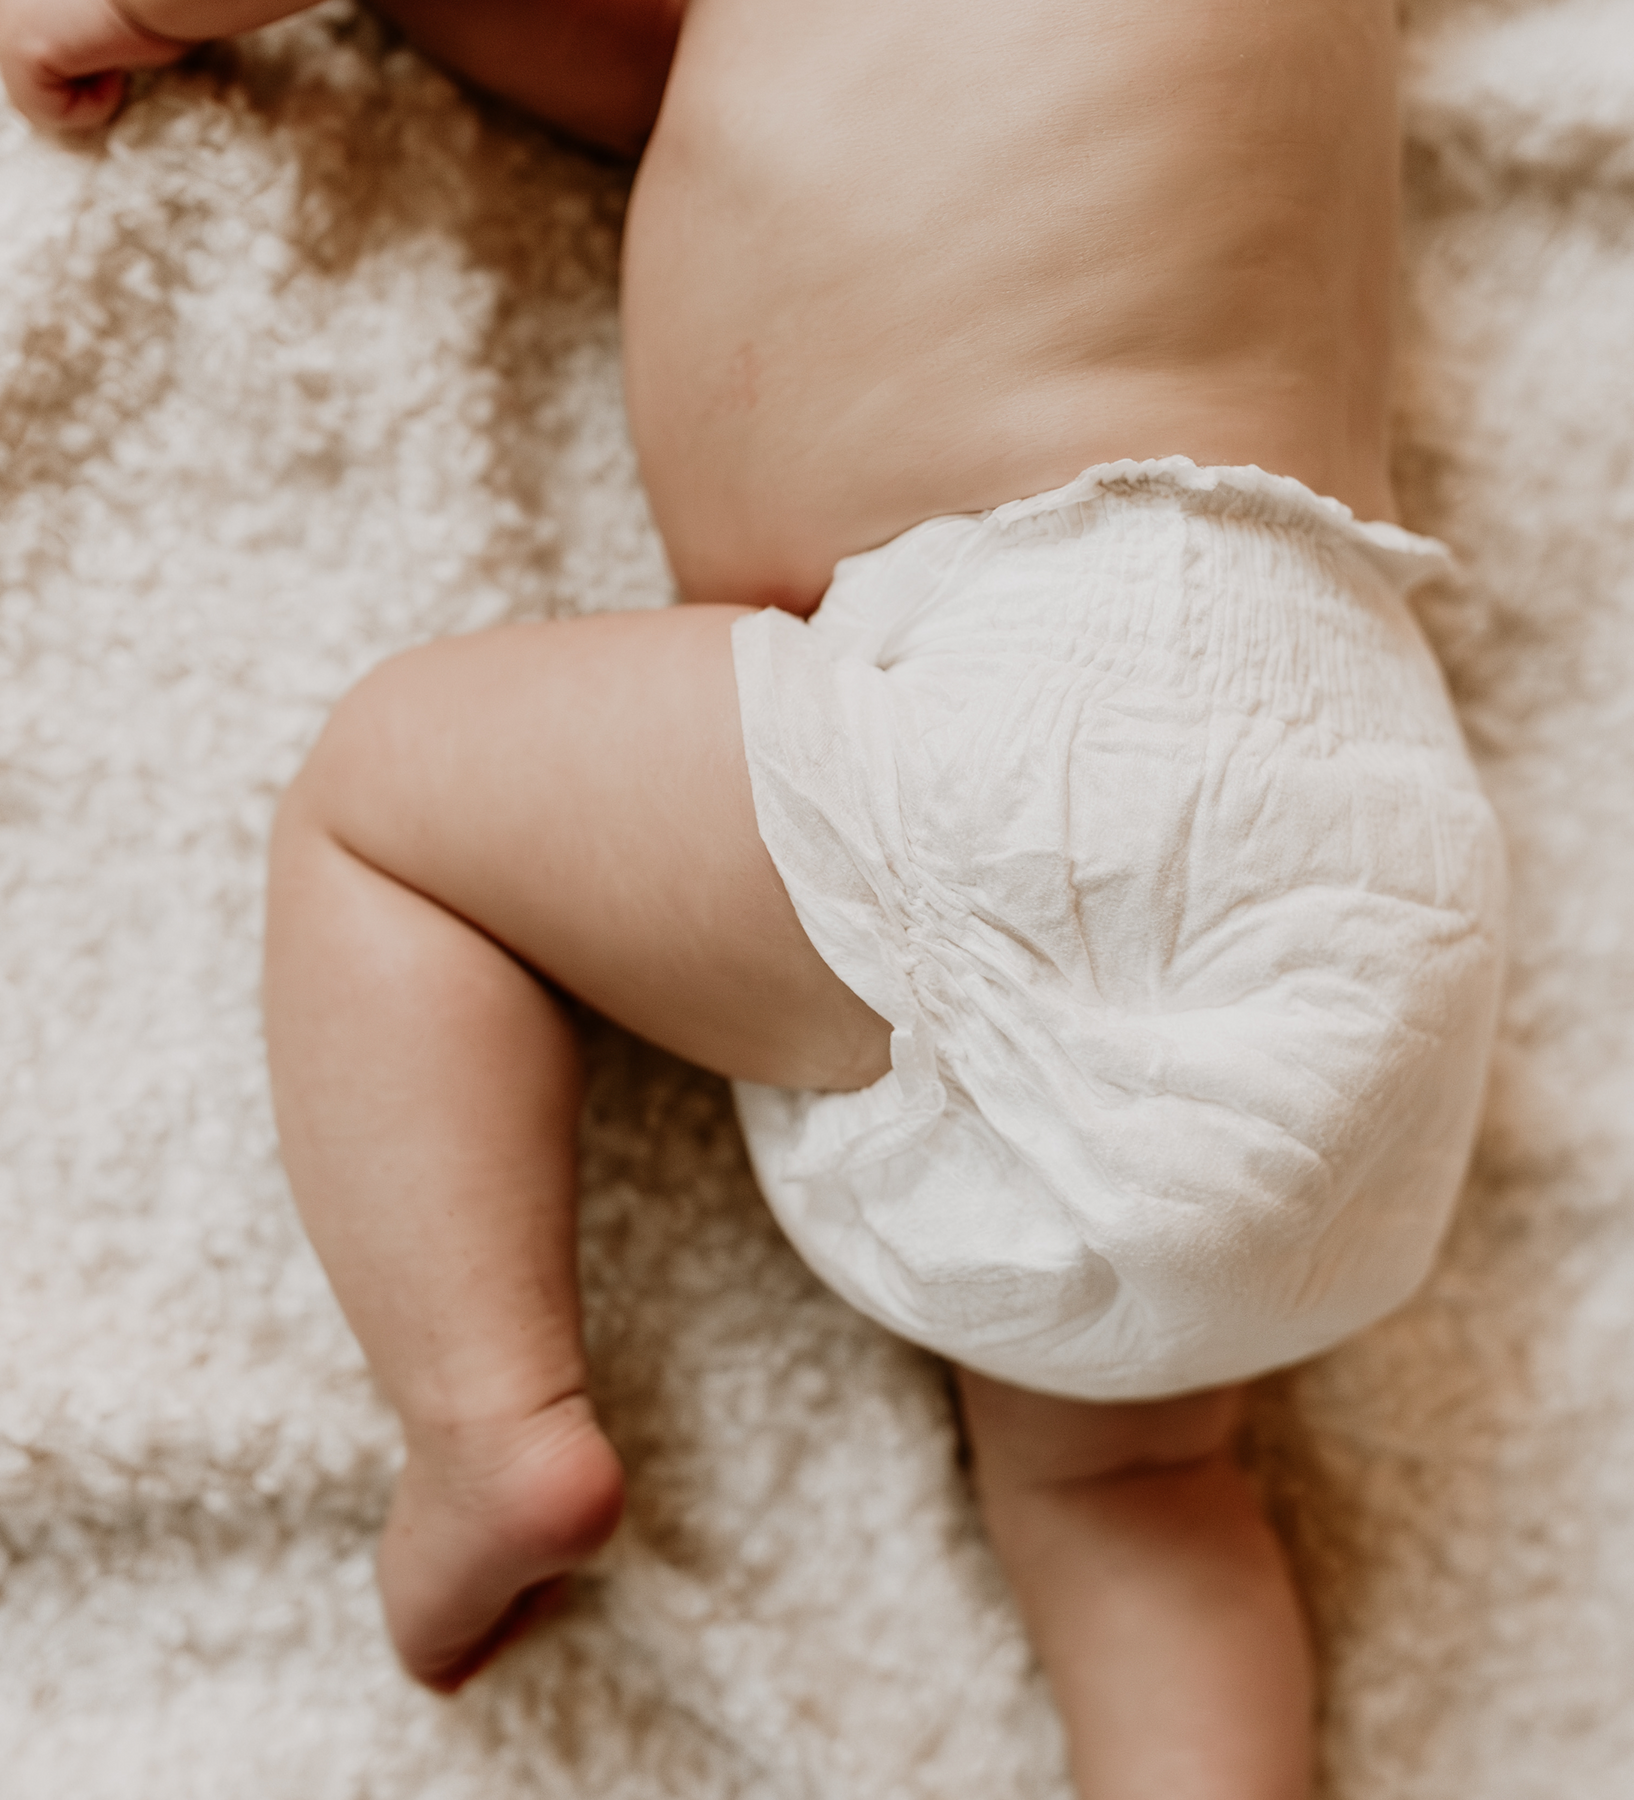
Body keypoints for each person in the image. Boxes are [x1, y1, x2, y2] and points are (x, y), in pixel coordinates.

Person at [0, 2, 1508, 1794]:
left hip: (1031, 730)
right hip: (1361, 859)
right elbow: (674, 78)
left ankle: (492, 1422)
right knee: (1135, 1483)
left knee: (378, 811)